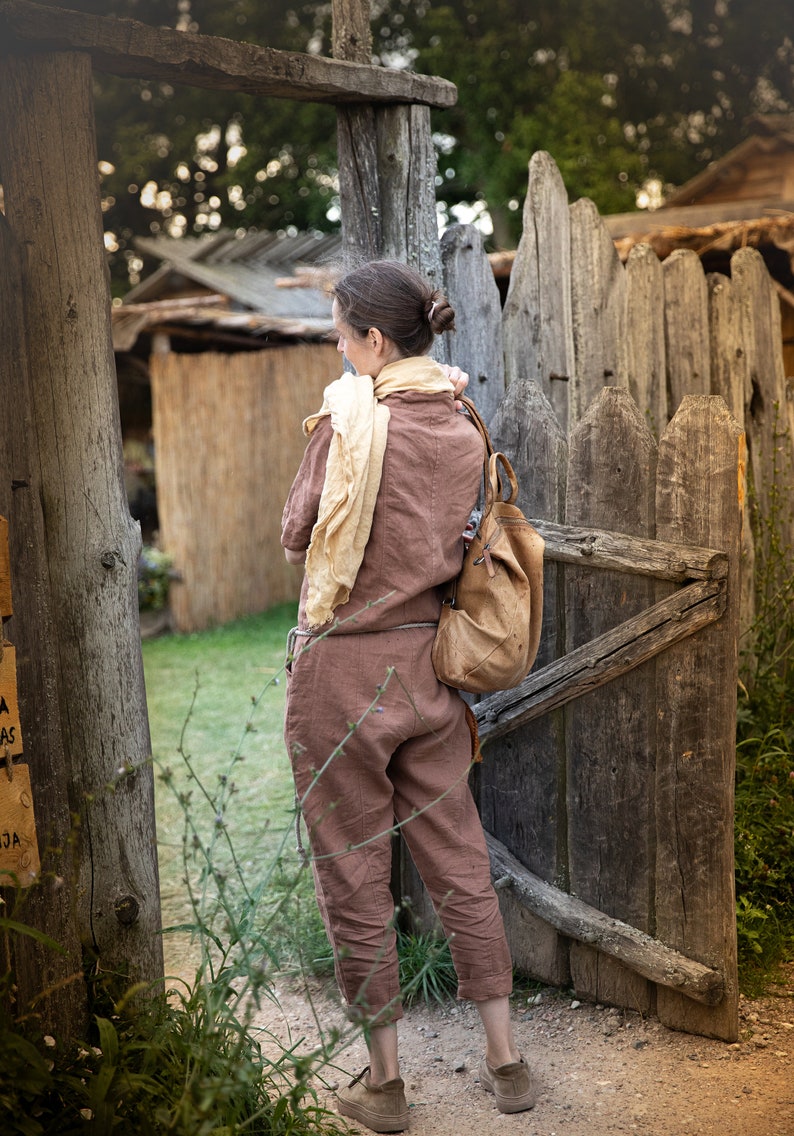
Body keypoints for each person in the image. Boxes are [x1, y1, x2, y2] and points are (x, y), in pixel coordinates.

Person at [281, 260, 536, 1133]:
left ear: (376, 340)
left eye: (342, 334)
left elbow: (293, 533)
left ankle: (385, 1087)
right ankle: (507, 1064)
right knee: (461, 864)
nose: (337, 347)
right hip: (432, 669)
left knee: (353, 877)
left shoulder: (349, 424)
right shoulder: (466, 420)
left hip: (342, 676)